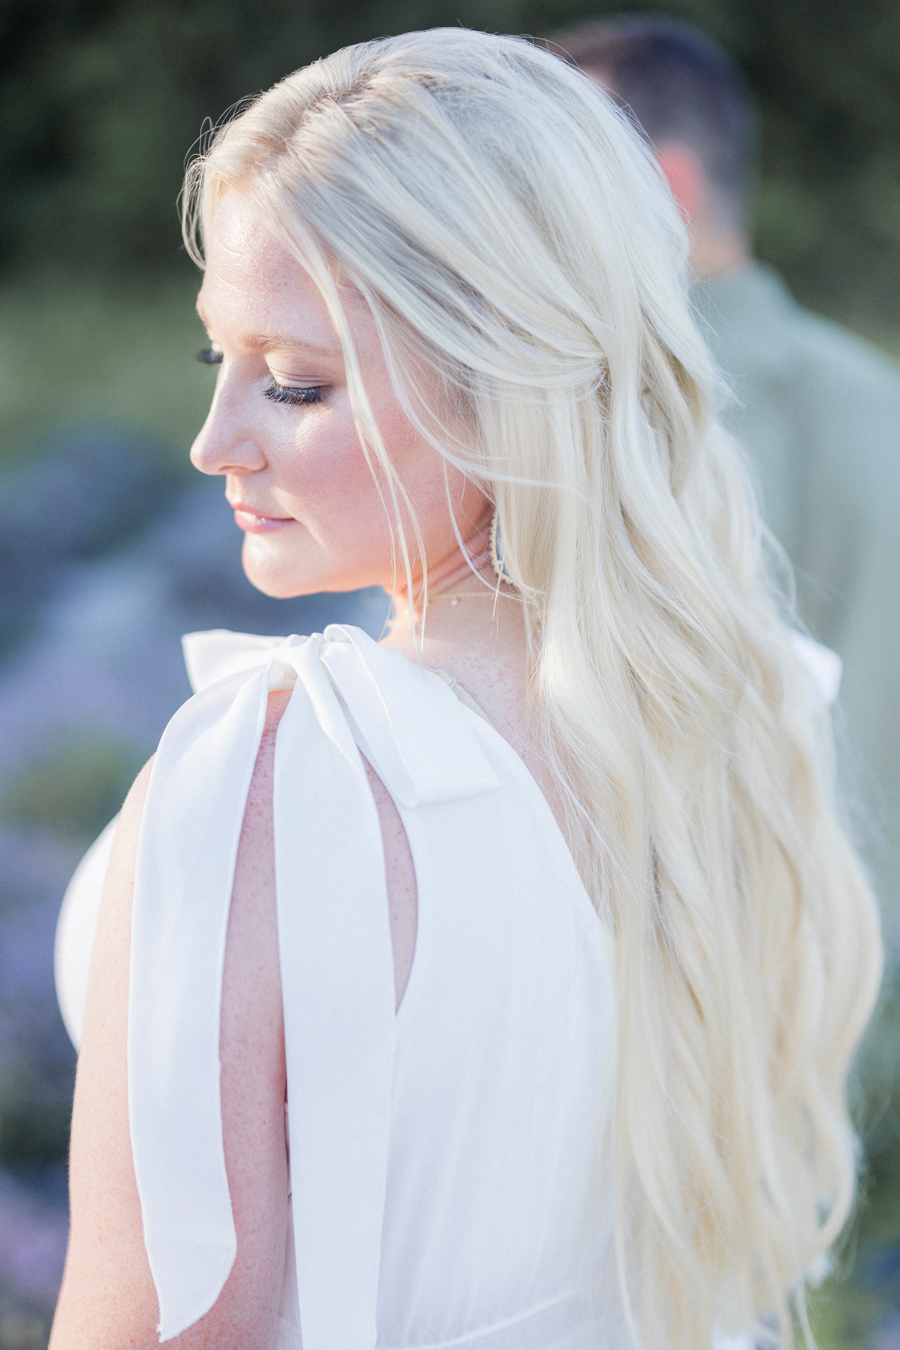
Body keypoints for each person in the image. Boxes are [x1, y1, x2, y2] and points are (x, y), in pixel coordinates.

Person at [48, 28, 880, 1350]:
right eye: (223, 362)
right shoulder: (751, 717)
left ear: (502, 388)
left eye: (294, 382)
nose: (215, 444)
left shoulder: (282, 772)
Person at [548, 12, 900, 945]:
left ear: (664, 188)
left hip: (713, 985)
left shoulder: (642, 411)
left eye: (550, 183)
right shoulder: (876, 391)